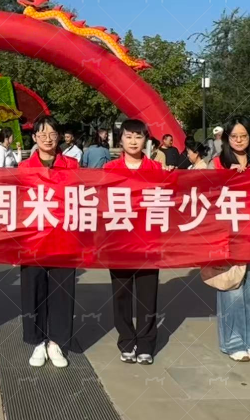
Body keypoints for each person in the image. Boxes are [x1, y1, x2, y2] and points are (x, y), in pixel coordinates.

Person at [210, 116, 250, 362]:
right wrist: (224, 178)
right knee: (232, 289)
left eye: (244, 136)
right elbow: (204, 194)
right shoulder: (217, 163)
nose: (239, 140)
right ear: (227, 139)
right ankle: (234, 342)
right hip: (228, 236)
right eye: (234, 136)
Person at [104, 119, 164, 364]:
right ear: (120, 139)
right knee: (121, 294)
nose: (133, 141)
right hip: (119, 240)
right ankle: (127, 340)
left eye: (138, 137)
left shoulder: (156, 168)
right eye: (128, 136)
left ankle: (146, 343)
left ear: (145, 140)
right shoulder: (109, 169)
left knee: (148, 294)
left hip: (149, 241)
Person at [20, 115, 78, 369]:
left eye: (52, 134)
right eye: (42, 134)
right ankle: (37, 341)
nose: (47, 138)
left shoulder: (72, 165)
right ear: (34, 137)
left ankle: (56, 342)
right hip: (33, 240)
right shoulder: (24, 167)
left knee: (62, 292)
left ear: (60, 137)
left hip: (64, 239)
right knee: (33, 290)